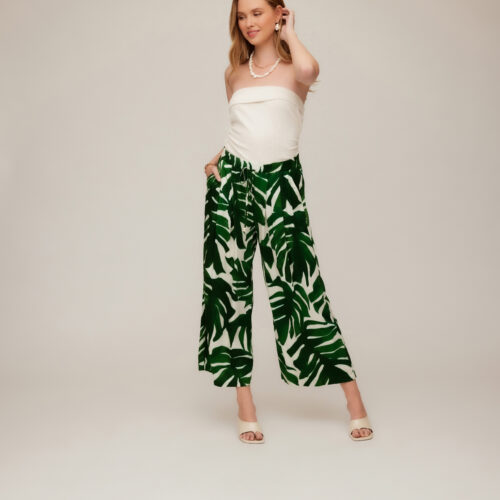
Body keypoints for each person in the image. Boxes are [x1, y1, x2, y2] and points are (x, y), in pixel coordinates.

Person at [198, 0, 374, 444]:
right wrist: (218, 160)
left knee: (301, 289)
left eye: (257, 12)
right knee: (229, 291)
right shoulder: (233, 74)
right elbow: (243, 129)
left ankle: (354, 403)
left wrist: (290, 31)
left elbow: (311, 71)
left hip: (281, 186)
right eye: (241, 16)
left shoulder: (297, 68)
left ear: (278, 13)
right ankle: (245, 406)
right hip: (231, 186)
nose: (248, 23)